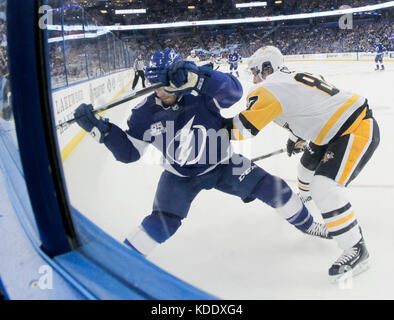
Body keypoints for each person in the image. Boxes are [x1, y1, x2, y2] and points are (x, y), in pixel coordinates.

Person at [73, 48, 330, 258]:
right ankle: (123, 261)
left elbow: (235, 93)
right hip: (179, 176)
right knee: (163, 222)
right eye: (156, 86)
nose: (161, 92)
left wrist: (199, 76)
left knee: (277, 189)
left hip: (224, 164)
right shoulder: (143, 113)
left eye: (167, 85)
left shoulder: (201, 92)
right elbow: (129, 153)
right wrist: (103, 132)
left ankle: (309, 226)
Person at [232, 46, 380, 282]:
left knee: (325, 187)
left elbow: (241, 130)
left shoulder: (267, 87)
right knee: (306, 166)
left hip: (355, 129)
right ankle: (305, 196)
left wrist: (209, 133)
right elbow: (311, 106)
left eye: (256, 71)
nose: (254, 77)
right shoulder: (292, 76)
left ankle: (356, 248)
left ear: (268, 68)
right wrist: (296, 137)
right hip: (334, 129)